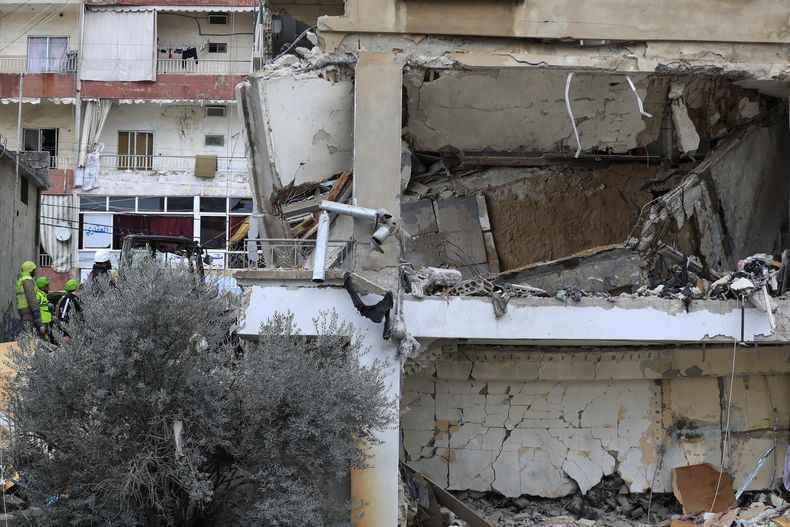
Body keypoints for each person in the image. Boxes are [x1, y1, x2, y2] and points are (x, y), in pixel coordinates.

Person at [15, 261, 41, 333]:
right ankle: (25, 344)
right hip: (28, 309)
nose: (35, 272)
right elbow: (31, 296)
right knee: (27, 332)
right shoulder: (27, 280)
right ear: (30, 270)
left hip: (22, 308)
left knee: (27, 329)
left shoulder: (20, 279)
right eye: (34, 270)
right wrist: (35, 309)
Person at [35, 277, 55, 343]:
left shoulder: (44, 295)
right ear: (42, 286)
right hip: (41, 324)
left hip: (46, 323)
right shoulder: (38, 295)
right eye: (47, 286)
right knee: (42, 341)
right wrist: (40, 325)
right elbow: (35, 309)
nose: (48, 287)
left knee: (46, 341)